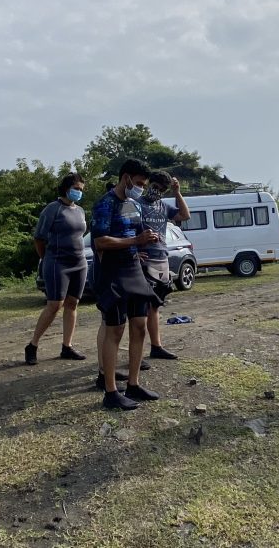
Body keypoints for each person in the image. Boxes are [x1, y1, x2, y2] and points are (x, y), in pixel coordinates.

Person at [91, 159, 162, 410]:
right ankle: (110, 392)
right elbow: (100, 241)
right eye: (139, 183)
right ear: (126, 178)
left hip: (134, 269)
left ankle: (133, 383)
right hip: (112, 272)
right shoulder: (105, 204)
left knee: (140, 326)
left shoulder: (134, 204)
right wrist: (134, 242)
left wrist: (149, 237)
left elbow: (137, 231)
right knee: (115, 330)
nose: (141, 188)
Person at [25, 173, 89, 365]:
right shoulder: (52, 209)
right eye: (76, 188)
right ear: (67, 188)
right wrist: (46, 258)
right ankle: (33, 345)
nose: (79, 192)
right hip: (57, 262)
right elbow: (39, 238)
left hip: (79, 262)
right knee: (54, 304)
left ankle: (67, 346)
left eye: (81, 190)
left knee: (72, 304)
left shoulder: (80, 211)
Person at [136, 170, 190, 360]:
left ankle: (156, 346)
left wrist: (177, 193)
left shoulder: (163, 206)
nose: (157, 191)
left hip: (162, 259)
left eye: (162, 189)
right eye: (156, 187)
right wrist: (134, 250)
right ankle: (137, 353)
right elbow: (124, 228)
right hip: (144, 261)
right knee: (139, 310)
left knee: (155, 307)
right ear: (149, 183)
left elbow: (184, 215)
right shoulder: (136, 204)